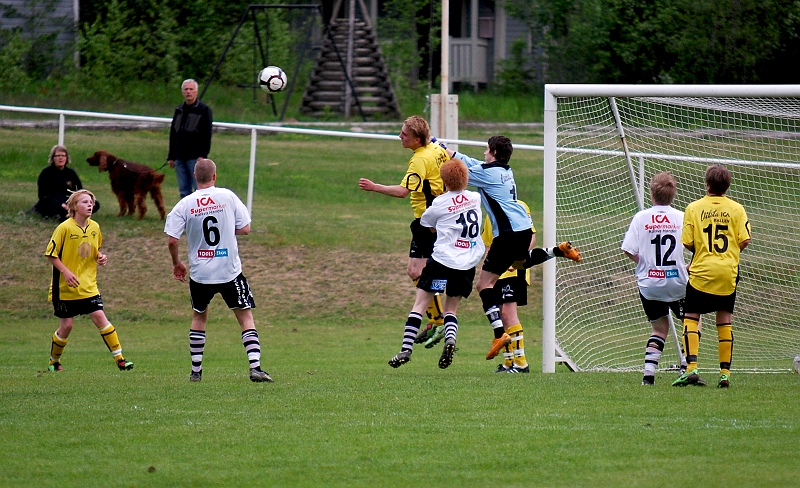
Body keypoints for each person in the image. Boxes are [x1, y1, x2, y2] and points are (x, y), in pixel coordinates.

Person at [447, 136, 582, 360]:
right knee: (522, 261)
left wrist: (441, 151)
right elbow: (472, 162)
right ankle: (558, 251)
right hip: (524, 229)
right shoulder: (506, 171)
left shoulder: (488, 175)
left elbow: (464, 170)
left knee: (483, 285)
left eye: (486, 150)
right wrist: (446, 150)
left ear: (493, 153)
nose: (483, 153)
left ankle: (499, 334)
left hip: (507, 235)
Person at [165, 158, 273, 383]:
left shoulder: (185, 203)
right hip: (228, 271)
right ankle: (255, 367)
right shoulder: (228, 196)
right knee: (245, 317)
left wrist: (177, 263)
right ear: (215, 176)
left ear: (195, 177)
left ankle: (196, 371)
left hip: (200, 274)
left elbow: (172, 241)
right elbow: (245, 228)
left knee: (199, 316)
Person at [359, 115, 449, 347]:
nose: (400, 136)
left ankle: (439, 321)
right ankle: (437, 319)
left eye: (404, 134)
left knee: (418, 271)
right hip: (439, 218)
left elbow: (402, 192)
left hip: (427, 222)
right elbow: (448, 156)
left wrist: (374, 187)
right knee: (420, 271)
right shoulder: (436, 146)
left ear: (417, 139)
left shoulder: (419, 160)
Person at [387, 159, 485, 369]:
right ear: (466, 178)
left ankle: (406, 349)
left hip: (442, 261)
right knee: (451, 310)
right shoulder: (475, 198)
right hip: (467, 263)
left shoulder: (439, 203)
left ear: (443, 181)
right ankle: (450, 339)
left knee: (421, 304)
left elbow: (427, 225)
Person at [672, 164, 751, 388]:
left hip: (701, 271)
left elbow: (687, 242)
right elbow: (745, 239)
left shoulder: (694, 208)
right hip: (727, 272)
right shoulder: (737, 209)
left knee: (691, 316)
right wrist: (729, 254)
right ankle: (724, 374)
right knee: (725, 319)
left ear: (707, 184)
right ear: (727, 186)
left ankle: (691, 369)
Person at [44, 189, 133, 372]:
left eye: (91, 202)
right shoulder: (64, 228)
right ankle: (54, 361)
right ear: (74, 206)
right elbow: (51, 255)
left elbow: (93, 249)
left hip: (88, 285)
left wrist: (100, 256)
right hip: (65, 287)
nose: (90, 205)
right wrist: (66, 273)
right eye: (85, 202)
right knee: (67, 326)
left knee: (100, 317)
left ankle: (120, 360)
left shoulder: (95, 227)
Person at [621, 172, 689, 385]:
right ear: (673, 194)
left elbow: (628, 249)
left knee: (659, 329)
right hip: (678, 283)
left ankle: (648, 376)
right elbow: (698, 248)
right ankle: (687, 368)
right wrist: (687, 266)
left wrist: (643, 263)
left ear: (651, 194)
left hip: (649, 284)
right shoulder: (682, 217)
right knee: (691, 322)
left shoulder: (641, 218)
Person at [482, 200, 535, 374]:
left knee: (508, 313)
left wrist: (517, 258)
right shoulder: (490, 211)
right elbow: (490, 244)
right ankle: (509, 362)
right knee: (500, 316)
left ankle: (521, 363)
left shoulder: (519, 206)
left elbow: (531, 236)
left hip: (513, 269)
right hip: (497, 271)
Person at [168, 79, 213, 199]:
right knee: (183, 190)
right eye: (186, 89)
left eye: (191, 89)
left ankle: (200, 215)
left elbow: (207, 134)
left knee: (199, 189)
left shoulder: (204, 110)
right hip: (179, 156)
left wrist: (203, 154)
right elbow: (173, 133)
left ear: (196, 92)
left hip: (195, 157)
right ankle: (186, 216)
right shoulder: (179, 110)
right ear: (182, 92)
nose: (188, 92)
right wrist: (171, 156)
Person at [31, 145, 99, 221]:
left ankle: (74, 213)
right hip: (54, 203)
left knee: (94, 203)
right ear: (53, 158)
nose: (60, 158)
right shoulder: (46, 173)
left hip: (70, 203)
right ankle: (69, 215)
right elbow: (43, 195)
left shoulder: (71, 173)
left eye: (63, 156)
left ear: (66, 158)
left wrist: (73, 204)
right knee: (47, 202)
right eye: (58, 156)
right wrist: (61, 205)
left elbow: (79, 191)